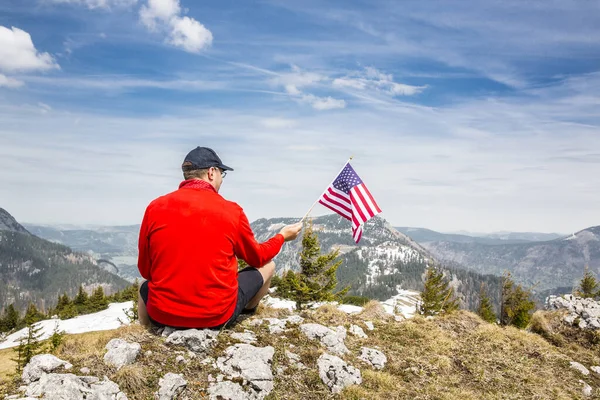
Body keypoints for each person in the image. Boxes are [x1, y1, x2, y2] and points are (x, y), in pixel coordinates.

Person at [136, 146, 303, 330]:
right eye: (221, 174)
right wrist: (281, 237)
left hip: (163, 316)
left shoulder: (155, 207)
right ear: (211, 172)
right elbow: (257, 257)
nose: (221, 181)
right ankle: (245, 313)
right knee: (268, 266)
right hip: (216, 317)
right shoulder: (231, 211)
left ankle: (147, 331)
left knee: (144, 284)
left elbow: (146, 270)